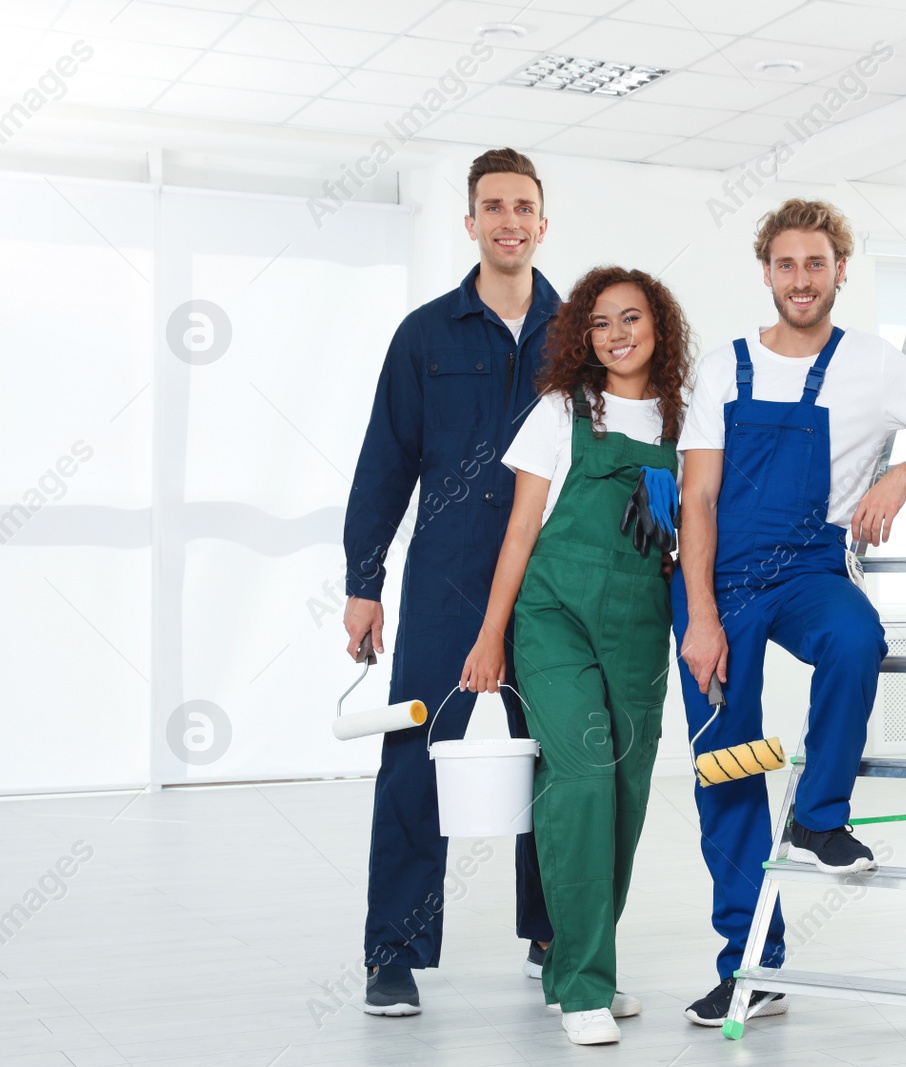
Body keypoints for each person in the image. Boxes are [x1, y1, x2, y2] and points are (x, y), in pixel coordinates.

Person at [673, 198, 906, 1027]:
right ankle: (751, 961)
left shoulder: (875, 366)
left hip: (810, 566)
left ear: (841, 271)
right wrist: (702, 616)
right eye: (786, 264)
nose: (801, 279)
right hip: (719, 576)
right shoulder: (723, 367)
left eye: (816, 264)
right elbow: (699, 497)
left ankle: (821, 815)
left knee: (857, 636)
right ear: (768, 273)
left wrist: (903, 476)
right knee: (729, 769)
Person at [343, 148, 556, 1016]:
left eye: (524, 206)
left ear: (545, 221)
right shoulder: (425, 334)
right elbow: (385, 460)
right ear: (470, 222)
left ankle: (557, 934)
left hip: (551, 578)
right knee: (413, 757)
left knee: (556, 756)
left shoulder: (582, 332)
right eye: (493, 206)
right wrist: (365, 579)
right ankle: (392, 950)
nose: (510, 220)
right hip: (444, 576)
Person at [459, 266, 689, 1045]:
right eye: (600, 323)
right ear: (582, 338)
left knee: (626, 789)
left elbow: (683, 530)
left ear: (659, 326)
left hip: (639, 621)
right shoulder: (562, 409)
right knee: (584, 777)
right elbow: (521, 531)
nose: (618, 334)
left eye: (632, 318)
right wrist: (491, 634)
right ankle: (583, 981)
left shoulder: (681, 420)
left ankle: (582, 964)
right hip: (554, 612)